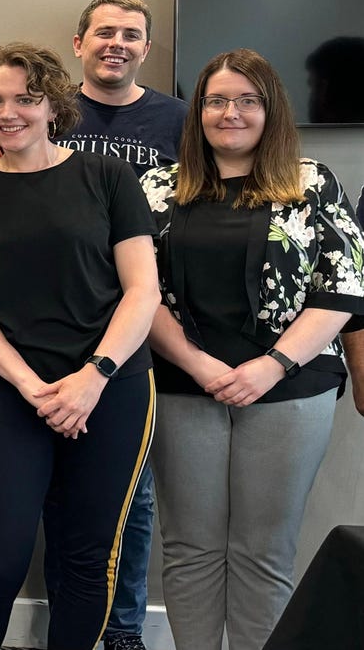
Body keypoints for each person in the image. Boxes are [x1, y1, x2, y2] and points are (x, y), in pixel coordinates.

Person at [0, 42, 159, 650]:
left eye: (26, 99)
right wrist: (30, 386)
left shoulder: (108, 177)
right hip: (10, 391)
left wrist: (94, 375)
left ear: (54, 106)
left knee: (87, 563)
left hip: (111, 388)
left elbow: (143, 290)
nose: (9, 113)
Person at [140, 48, 364, 650]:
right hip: (183, 385)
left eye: (247, 100)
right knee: (189, 548)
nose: (230, 112)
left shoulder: (312, 182)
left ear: (272, 110)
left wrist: (272, 365)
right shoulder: (157, 188)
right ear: (198, 111)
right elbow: (138, 292)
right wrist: (197, 363)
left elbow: (343, 287)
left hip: (290, 388)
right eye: (216, 100)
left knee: (264, 551)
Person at [55, 0, 186, 650]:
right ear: (79, 43)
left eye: (131, 35)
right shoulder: (47, 111)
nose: (117, 44)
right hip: (53, 324)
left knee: (133, 493)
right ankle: (62, 623)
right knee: (36, 485)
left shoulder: (179, 120)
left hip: (143, 328)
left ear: (147, 48)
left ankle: (124, 628)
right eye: (105, 32)